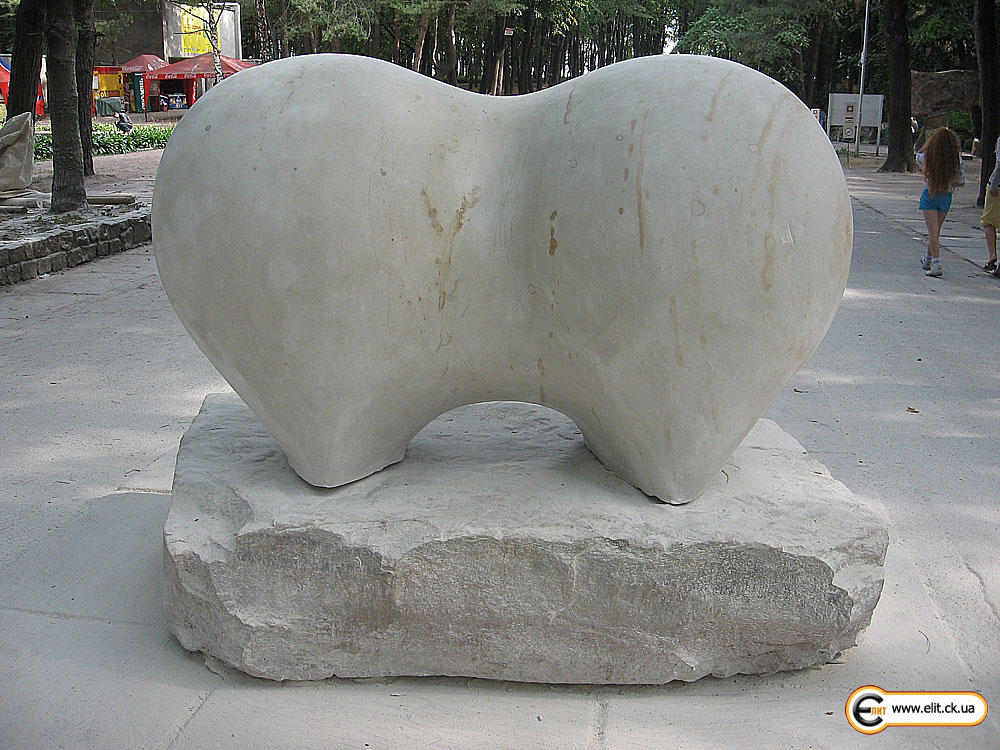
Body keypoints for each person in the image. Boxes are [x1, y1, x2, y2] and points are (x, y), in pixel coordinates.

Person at [917, 127, 965, 278]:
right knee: (936, 231)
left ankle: (936, 263)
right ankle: (928, 259)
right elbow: (961, 181)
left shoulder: (927, 156)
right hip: (946, 196)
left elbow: (919, 157)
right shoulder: (957, 160)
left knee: (932, 232)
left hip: (930, 195)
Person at [982, 136, 1000, 276]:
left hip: (997, 187)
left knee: (988, 221)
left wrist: (994, 185)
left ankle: (992, 254)